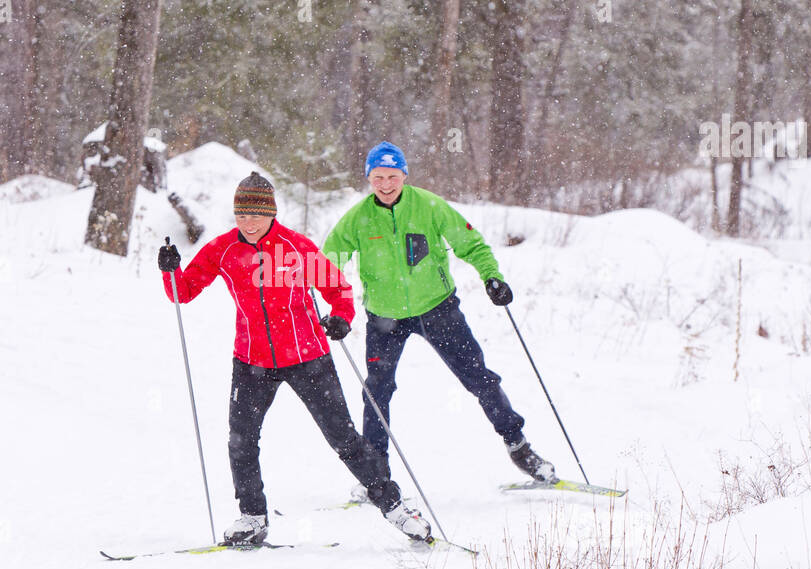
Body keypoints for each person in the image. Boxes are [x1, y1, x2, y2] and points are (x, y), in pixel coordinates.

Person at [158, 171, 431, 545]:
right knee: (241, 440)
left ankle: (396, 506)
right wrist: (169, 270)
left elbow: (338, 289)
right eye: (242, 214)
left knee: (343, 439)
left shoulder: (296, 247)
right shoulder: (222, 249)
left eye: (256, 214)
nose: (249, 222)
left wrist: (340, 319)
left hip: (308, 358)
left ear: (272, 213)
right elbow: (183, 292)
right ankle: (252, 517)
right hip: (251, 361)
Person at [321, 141, 557, 485]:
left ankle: (519, 446)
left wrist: (492, 278)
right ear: (369, 179)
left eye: (392, 176)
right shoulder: (357, 219)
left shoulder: (430, 206)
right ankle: (375, 472)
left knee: (479, 377)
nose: (385, 184)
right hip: (384, 318)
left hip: (438, 309)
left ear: (404, 175)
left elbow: (471, 244)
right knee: (377, 390)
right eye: (377, 178)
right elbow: (327, 266)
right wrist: (333, 309)